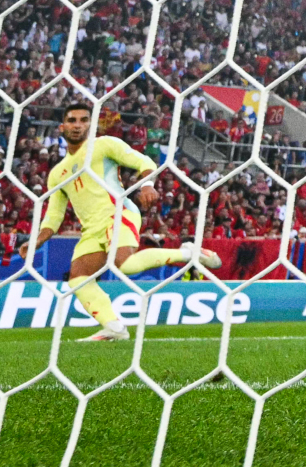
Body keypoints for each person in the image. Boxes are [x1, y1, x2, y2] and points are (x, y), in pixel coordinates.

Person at [18, 103, 222, 341]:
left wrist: (147, 185)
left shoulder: (103, 145)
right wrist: (36, 241)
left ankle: (189, 254)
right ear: (62, 126)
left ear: (91, 125)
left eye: (84, 120)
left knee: (124, 265)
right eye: (72, 120)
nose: (77, 125)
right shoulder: (57, 173)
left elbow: (144, 161)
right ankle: (114, 327)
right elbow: (54, 214)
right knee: (78, 277)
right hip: (91, 229)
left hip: (118, 212)